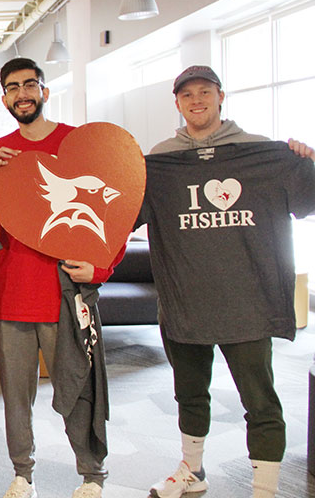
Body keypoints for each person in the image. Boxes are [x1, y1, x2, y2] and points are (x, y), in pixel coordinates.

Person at [141, 65, 315, 498]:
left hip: (249, 303)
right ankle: (192, 472)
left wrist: (307, 161)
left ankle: (264, 489)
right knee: (190, 395)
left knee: (260, 402)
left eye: (205, 91)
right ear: (177, 103)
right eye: (187, 94)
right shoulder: (159, 162)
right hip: (185, 302)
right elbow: (120, 214)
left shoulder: (263, 153)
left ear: (221, 97)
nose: (196, 100)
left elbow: (309, 198)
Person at [0, 58, 121, 498]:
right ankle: (23, 474)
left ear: (44, 91)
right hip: (10, 296)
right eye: (13, 88)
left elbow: (112, 215)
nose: (22, 94)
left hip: (64, 295)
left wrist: (102, 271)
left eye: (29, 85)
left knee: (79, 388)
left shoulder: (76, 143)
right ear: (4, 98)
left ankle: (92, 475)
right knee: (16, 399)